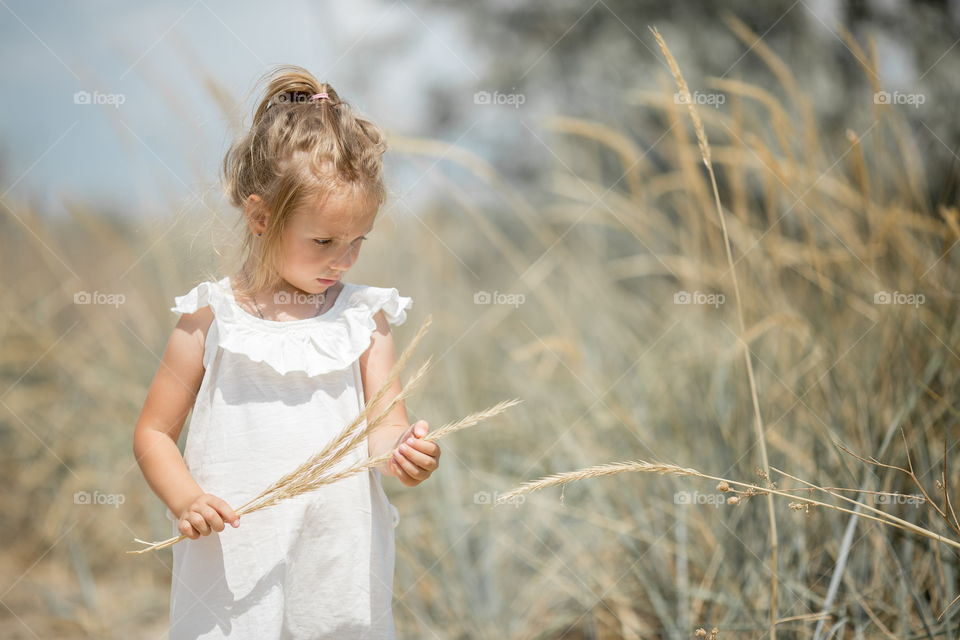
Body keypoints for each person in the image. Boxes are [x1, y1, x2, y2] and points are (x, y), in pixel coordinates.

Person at [132, 65, 441, 639]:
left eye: (357, 241)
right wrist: (187, 499)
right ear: (260, 216)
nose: (343, 260)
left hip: (338, 557)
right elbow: (152, 433)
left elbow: (383, 425)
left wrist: (405, 452)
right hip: (233, 556)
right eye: (324, 241)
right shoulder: (210, 316)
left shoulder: (364, 317)